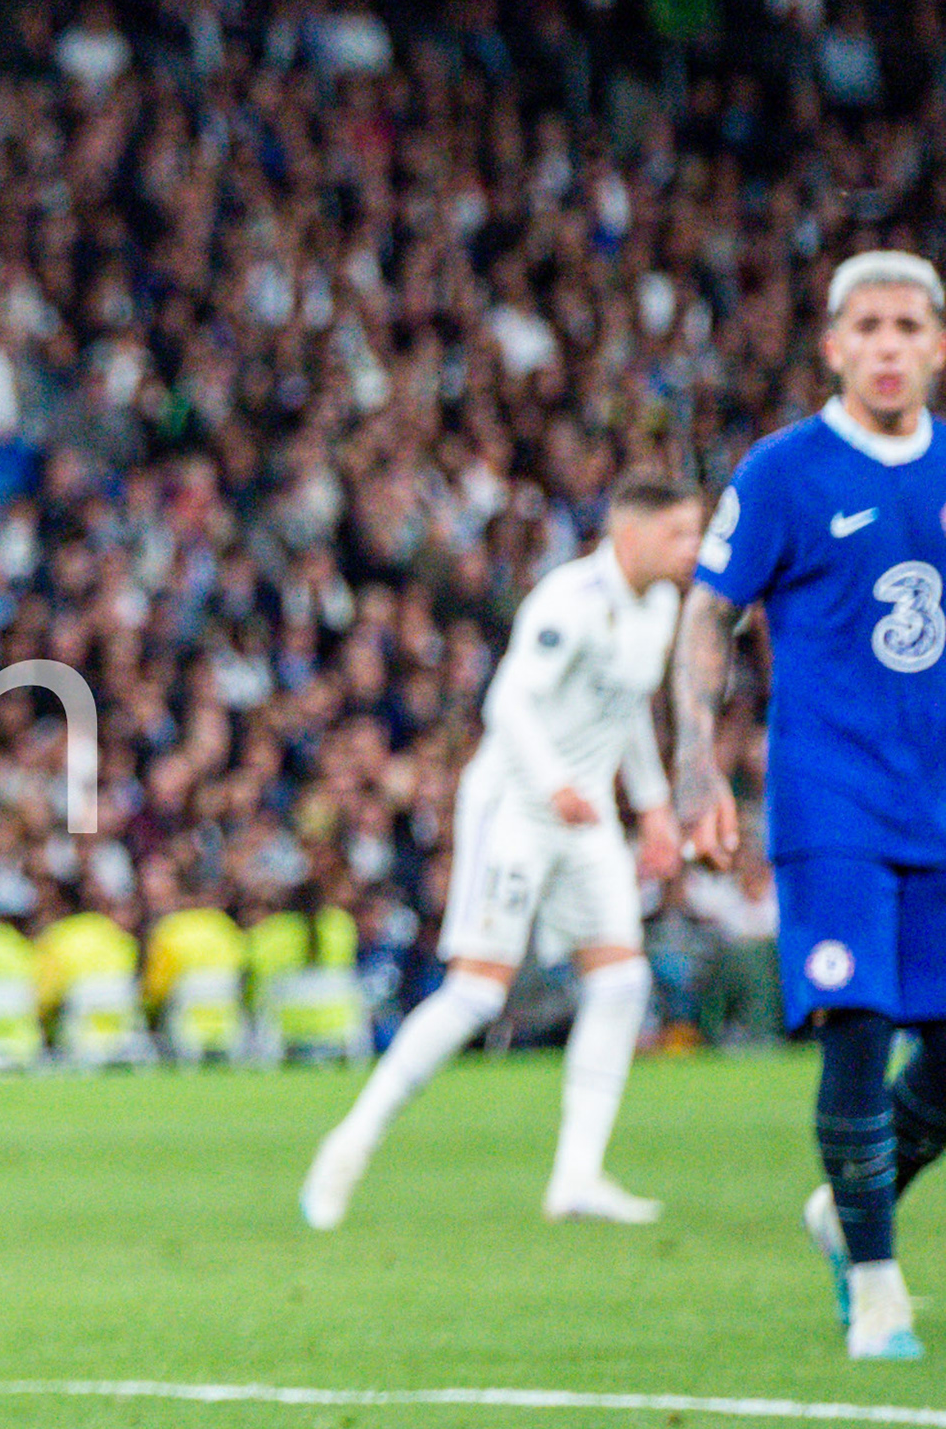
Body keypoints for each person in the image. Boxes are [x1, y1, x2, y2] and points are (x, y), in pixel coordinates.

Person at [674, 251, 946, 1360]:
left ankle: (845, 1210)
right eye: (867, 326)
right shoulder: (785, 471)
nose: (888, 345)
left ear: (937, 346)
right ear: (833, 347)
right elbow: (709, 615)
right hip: (832, 799)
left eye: (908, 326)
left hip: (939, 802)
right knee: (857, 1028)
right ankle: (878, 1286)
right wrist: (696, 761)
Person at [304, 477, 704, 1228]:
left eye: (695, 532)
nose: (693, 548)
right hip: (517, 806)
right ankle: (351, 1142)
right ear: (631, 533)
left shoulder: (658, 609)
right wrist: (555, 784)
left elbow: (627, 711)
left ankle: (576, 1177)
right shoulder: (568, 600)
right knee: (477, 994)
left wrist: (653, 808)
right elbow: (508, 703)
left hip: (584, 816)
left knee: (621, 981)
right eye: (678, 533)